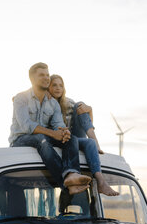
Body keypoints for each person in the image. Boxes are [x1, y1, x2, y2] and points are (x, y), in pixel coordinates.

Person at [8, 62, 91, 195]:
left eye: (47, 75)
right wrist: (53, 133)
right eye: (42, 75)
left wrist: (64, 132)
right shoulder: (21, 98)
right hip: (20, 140)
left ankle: (72, 174)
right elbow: (26, 125)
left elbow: (59, 124)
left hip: (43, 137)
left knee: (72, 139)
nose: (46, 78)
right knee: (42, 139)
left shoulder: (53, 103)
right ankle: (65, 182)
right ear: (32, 79)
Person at [48, 74, 119, 196]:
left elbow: (84, 119)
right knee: (77, 139)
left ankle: (101, 181)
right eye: (54, 85)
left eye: (61, 85)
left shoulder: (68, 102)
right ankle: (93, 145)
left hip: (72, 138)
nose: (58, 88)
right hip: (56, 139)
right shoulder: (44, 103)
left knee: (80, 106)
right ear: (47, 86)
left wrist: (89, 109)